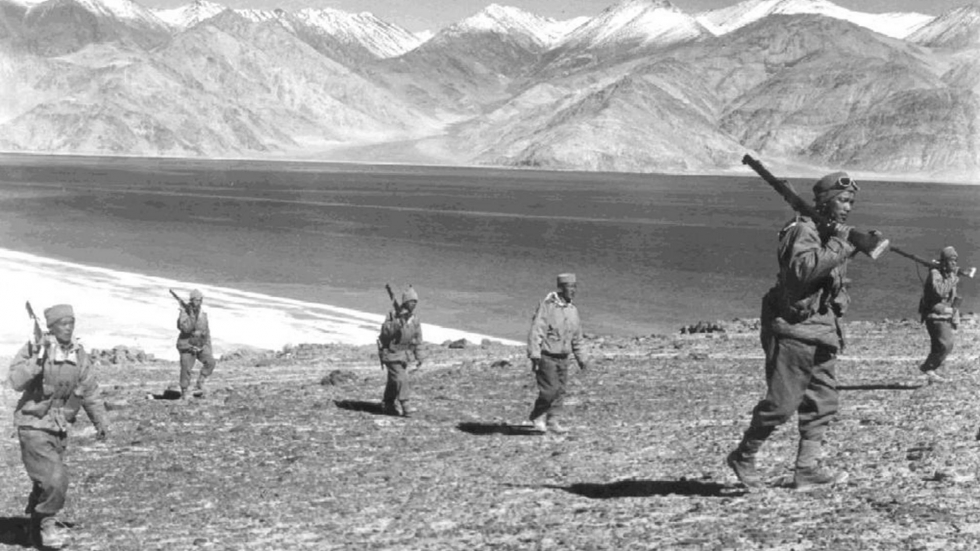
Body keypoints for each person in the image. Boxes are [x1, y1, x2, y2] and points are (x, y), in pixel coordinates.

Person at [727, 172, 866, 491]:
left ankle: (807, 469)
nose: (847, 207)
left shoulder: (830, 233)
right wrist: (841, 245)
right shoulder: (802, 230)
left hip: (822, 332)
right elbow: (801, 273)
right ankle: (744, 456)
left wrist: (848, 245)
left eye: (851, 202)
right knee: (781, 404)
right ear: (826, 201)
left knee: (823, 402)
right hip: (794, 331)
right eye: (843, 200)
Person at [8, 304, 109, 549]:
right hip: (32, 425)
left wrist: (101, 422)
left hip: (60, 427)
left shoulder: (78, 355)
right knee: (55, 479)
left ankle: (33, 530)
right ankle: (46, 523)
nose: (69, 327)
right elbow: (15, 381)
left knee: (43, 482)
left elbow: (90, 391)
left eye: (71, 322)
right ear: (51, 327)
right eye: (63, 323)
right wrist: (38, 359)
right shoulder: (34, 349)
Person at [526, 273, 591, 434]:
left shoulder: (572, 310)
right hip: (547, 356)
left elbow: (577, 337)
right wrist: (534, 354)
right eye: (570, 287)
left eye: (575, 287)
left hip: (563, 357)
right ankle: (537, 415)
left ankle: (553, 421)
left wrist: (583, 359)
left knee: (560, 391)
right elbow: (537, 330)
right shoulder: (548, 306)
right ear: (561, 288)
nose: (573, 290)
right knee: (550, 390)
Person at [916, 246, 961, 383]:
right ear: (944, 261)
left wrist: (955, 316)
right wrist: (953, 278)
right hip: (934, 316)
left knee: (941, 345)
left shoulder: (949, 275)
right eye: (951, 260)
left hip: (945, 315)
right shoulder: (935, 274)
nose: (954, 263)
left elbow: (953, 298)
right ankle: (928, 368)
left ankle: (930, 371)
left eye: (955, 260)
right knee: (946, 344)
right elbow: (939, 292)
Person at [378, 287, 424, 417]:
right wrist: (397, 323)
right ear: (405, 301)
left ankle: (388, 404)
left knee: (394, 381)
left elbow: (417, 339)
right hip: (391, 354)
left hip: (404, 355)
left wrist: (419, 356)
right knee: (401, 379)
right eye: (411, 301)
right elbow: (385, 333)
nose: (414, 304)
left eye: (416, 302)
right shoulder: (393, 315)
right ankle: (406, 405)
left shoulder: (414, 319)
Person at [175, 289, 216, 399]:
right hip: (187, 346)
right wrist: (191, 315)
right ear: (191, 300)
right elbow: (185, 329)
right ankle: (184, 391)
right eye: (195, 300)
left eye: (199, 300)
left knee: (210, 362)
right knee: (186, 368)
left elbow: (206, 331)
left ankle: (200, 383)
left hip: (200, 345)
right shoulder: (184, 313)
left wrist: (207, 347)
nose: (197, 302)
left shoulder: (203, 314)